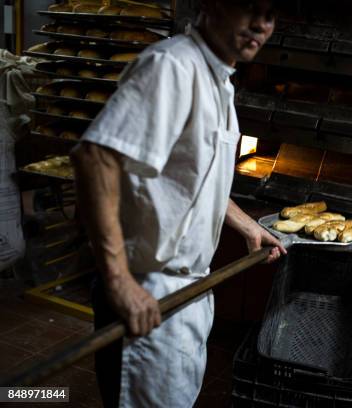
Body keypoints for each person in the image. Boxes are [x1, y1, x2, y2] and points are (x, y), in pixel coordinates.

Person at [70, 1, 285, 406]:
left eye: (271, 15)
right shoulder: (172, 67)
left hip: (187, 290)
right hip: (147, 289)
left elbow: (192, 181)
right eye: (250, 7)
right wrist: (119, 283)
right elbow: (94, 159)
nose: (261, 23)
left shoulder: (219, 81)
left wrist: (247, 225)